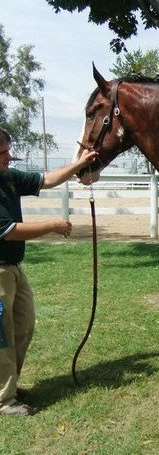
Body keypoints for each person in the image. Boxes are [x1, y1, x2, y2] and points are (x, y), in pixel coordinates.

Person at [0, 126, 97, 416]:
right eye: (3, 152)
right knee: (2, 336)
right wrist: (52, 226)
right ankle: (4, 400)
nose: (9, 156)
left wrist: (79, 164)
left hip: (13, 269)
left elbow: (47, 179)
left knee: (24, 325)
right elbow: (8, 232)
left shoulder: (9, 177)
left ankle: (9, 385)